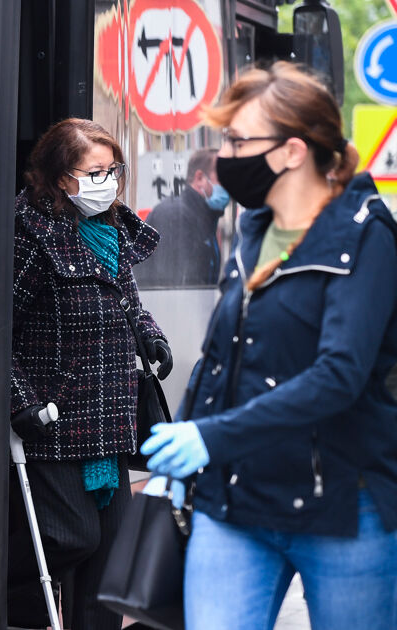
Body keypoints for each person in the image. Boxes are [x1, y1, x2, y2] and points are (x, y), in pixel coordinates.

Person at [141, 62, 397, 629]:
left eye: (238, 140)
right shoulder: (253, 229)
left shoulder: (365, 234)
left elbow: (339, 376)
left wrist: (209, 437)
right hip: (236, 498)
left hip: (342, 506)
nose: (225, 154)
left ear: (292, 151)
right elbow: (221, 356)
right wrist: (181, 447)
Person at [7, 118, 172, 630]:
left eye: (112, 170)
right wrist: (21, 402)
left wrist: (152, 335)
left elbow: (129, 301)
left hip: (111, 414)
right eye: (94, 171)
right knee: (71, 537)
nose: (107, 181)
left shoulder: (111, 230)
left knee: (111, 563)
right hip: (55, 419)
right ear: (61, 178)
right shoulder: (32, 235)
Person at [135, 149, 228, 287]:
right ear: (200, 178)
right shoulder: (175, 216)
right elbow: (173, 285)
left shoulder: (203, 216)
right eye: (222, 177)